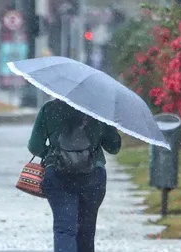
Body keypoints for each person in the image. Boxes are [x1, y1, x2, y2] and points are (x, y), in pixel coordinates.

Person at [28, 99, 121, 252]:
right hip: (93, 176)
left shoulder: (50, 109)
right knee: (86, 231)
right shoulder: (99, 111)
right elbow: (113, 147)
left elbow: (34, 145)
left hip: (58, 175)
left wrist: (53, 155)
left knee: (64, 229)